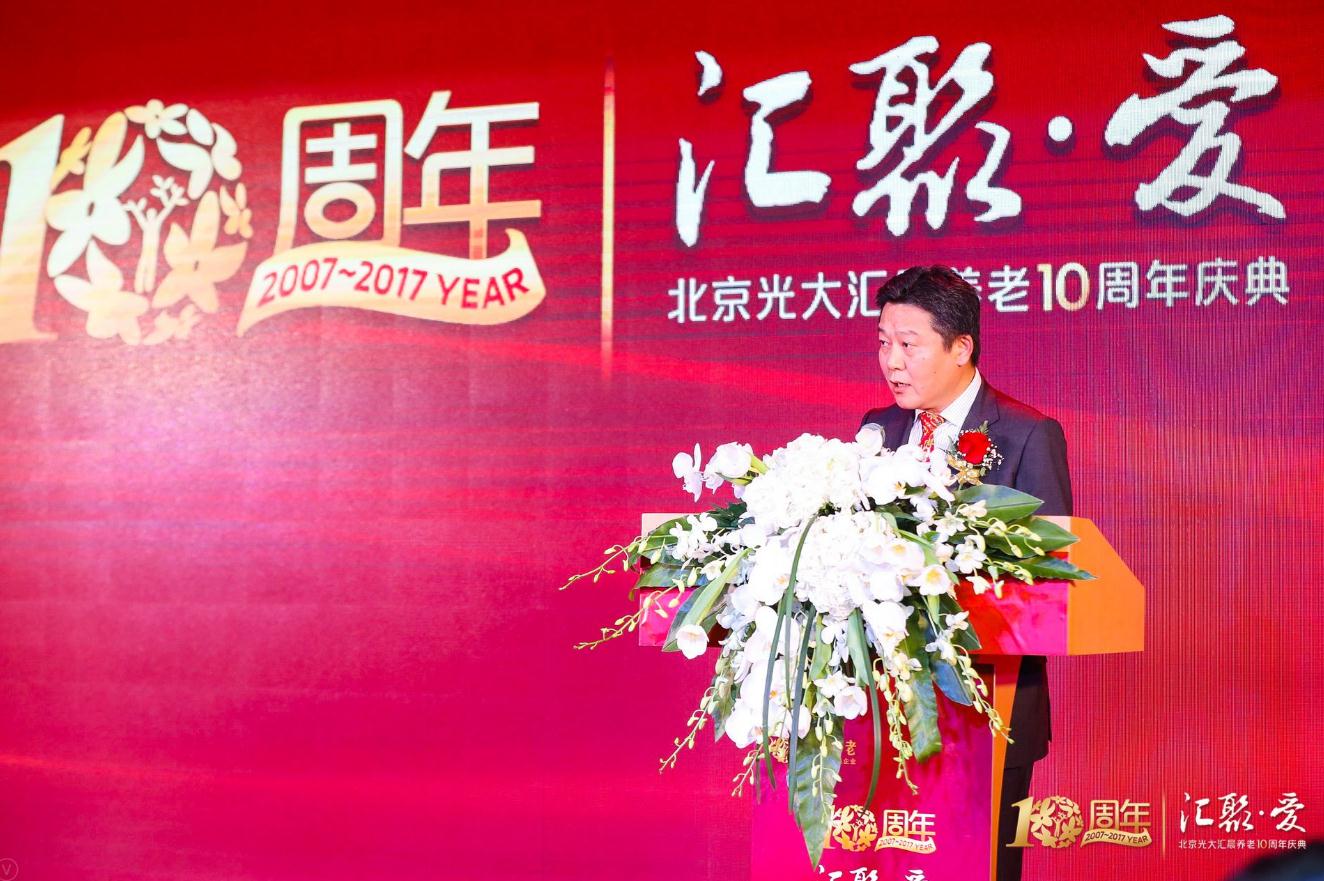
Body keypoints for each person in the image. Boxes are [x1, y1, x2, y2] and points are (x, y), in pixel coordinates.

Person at [860, 264, 1072, 881]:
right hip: (885, 710)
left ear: (960, 348)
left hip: (989, 704)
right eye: (883, 342)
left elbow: (1050, 575)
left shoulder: (1027, 434)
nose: (892, 361)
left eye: (909, 345)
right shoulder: (877, 431)